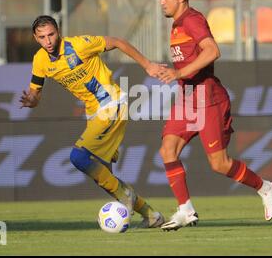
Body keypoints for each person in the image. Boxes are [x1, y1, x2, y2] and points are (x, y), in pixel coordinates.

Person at [156, 0, 272, 231]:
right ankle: (185, 210)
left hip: (208, 98)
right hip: (188, 97)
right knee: (168, 149)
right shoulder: (177, 24)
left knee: (219, 164)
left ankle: (265, 187)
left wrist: (178, 73)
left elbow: (213, 51)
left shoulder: (192, 19)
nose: (161, 2)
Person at [20, 15, 164, 228]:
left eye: (51, 34)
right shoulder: (40, 60)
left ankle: (126, 196)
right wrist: (32, 100)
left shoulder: (79, 45)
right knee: (103, 175)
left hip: (111, 103)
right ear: (36, 38)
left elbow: (117, 42)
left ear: (58, 31)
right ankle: (151, 216)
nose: (48, 41)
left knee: (78, 157)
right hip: (94, 112)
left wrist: (148, 65)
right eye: (42, 37)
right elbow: (35, 92)